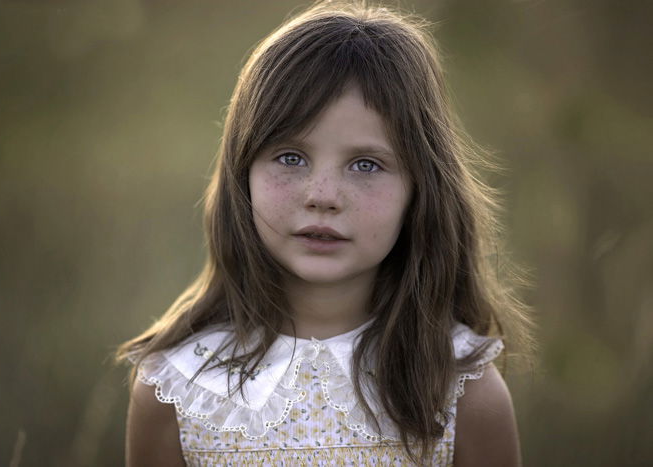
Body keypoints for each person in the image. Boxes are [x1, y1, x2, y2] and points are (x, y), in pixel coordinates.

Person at [116, 1, 532, 465]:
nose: (323, 195)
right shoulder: (174, 389)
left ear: (420, 189)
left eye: (366, 164)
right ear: (242, 173)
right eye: (291, 157)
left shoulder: (463, 390)